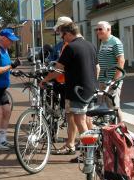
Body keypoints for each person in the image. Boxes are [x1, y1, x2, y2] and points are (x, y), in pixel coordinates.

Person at [42, 23, 99, 158]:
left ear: (68, 33)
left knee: (80, 121)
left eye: (62, 36)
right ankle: (93, 150)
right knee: (87, 120)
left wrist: (45, 79)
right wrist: (91, 82)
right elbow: (97, 68)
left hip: (77, 90)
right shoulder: (91, 45)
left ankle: (89, 155)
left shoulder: (70, 47)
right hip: (91, 89)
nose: (63, 39)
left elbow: (58, 69)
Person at [96, 21, 125, 122]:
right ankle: (107, 130)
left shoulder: (115, 42)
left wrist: (115, 80)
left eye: (100, 29)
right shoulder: (103, 42)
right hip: (103, 80)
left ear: (109, 30)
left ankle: (121, 129)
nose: (98, 31)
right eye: (97, 29)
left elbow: (121, 60)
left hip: (112, 81)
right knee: (103, 108)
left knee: (114, 107)